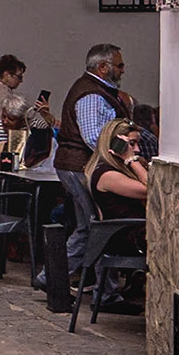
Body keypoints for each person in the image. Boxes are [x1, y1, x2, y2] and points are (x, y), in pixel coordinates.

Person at [55, 44, 127, 282]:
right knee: (94, 226)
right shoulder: (90, 94)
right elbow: (93, 137)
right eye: (119, 65)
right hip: (79, 166)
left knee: (91, 226)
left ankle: (57, 278)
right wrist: (125, 153)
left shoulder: (96, 90)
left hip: (79, 165)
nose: (123, 70)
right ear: (103, 67)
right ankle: (54, 278)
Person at [85, 119, 149, 308]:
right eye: (131, 144)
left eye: (137, 144)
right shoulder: (107, 175)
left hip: (130, 229)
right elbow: (151, 189)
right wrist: (131, 160)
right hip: (123, 236)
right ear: (115, 144)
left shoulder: (115, 169)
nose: (136, 149)